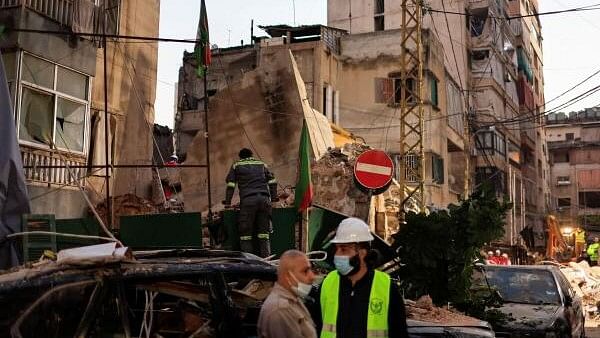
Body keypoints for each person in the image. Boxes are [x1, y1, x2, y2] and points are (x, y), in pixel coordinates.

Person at [313, 218, 408, 338]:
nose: (337, 255)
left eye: (343, 249)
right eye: (336, 249)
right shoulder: (328, 283)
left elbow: (400, 333)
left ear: (362, 252)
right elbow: (315, 327)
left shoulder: (386, 287)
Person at [223, 148, 278, 257]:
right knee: (264, 234)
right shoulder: (262, 164)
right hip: (264, 200)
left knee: (245, 234)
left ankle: (250, 262)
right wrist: (274, 199)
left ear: (240, 157)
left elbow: (230, 184)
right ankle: (267, 261)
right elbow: (272, 181)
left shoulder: (236, 165)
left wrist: (228, 203)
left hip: (248, 201)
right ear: (252, 155)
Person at [258, 250, 317, 338]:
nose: (312, 277)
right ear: (287, 276)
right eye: (305, 271)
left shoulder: (293, 299)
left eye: (310, 270)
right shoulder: (280, 310)